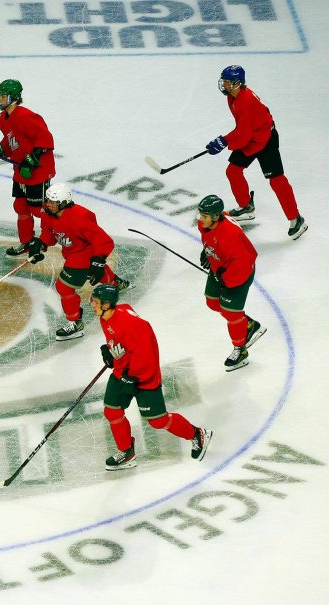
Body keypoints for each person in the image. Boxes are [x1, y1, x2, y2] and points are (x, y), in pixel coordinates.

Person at [91, 283, 212, 470]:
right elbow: (121, 341)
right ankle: (126, 453)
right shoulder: (107, 316)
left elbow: (147, 355)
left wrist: (134, 378)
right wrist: (110, 350)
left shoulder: (132, 325)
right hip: (122, 371)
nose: (91, 304)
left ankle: (196, 434)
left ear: (106, 305)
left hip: (144, 376)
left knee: (158, 421)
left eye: (95, 301)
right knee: (112, 411)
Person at [205, 65, 307, 240]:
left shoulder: (246, 101)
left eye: (228, 82)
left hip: (266, 140)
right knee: (233, 171)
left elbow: (243, 133)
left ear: (238, 83)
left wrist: (224, 141)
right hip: (252, 138)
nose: (224, 85)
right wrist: (226, 140)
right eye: (224, 81)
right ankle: (246, 207)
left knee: (276, 181)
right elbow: (244, 130)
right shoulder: (232, 97)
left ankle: (296, 219)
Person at [26, 183, 133, 341]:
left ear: (63, 203)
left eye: (52, 202)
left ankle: (75, 323)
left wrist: (98, 260)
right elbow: (50, 233)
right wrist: (40, 244)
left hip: (83, 255)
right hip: (72, 253)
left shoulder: (79, 218)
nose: (48, 204)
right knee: (93, 272)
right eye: (48, 200)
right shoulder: (48, 213)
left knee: (63, 287)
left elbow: (104, 241)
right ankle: (115, 282)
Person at [0, 79, 56, 257]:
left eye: (3, 96)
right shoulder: (2, 119)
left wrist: (31, 160)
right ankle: (27, 242)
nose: (0, 99)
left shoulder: (27, 116)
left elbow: (46, 141)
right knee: (21, 206)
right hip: (20, 171)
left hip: (38, 171)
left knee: (40, 209)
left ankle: (45, 242)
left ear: (13, 97)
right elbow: (10, 142)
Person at [196, 194, 265, 371]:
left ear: (216, 216)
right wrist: (208, 251)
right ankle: (248, 324)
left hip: (238, 275)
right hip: (219, 267)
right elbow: (210, 238)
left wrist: (225, 278)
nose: (200, 219)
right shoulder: (208, 224)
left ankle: (240, 351)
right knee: (212, 302)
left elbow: (243, 263)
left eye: (204, 216)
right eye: (201, 215)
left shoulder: (230, 234)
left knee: (232, 314)